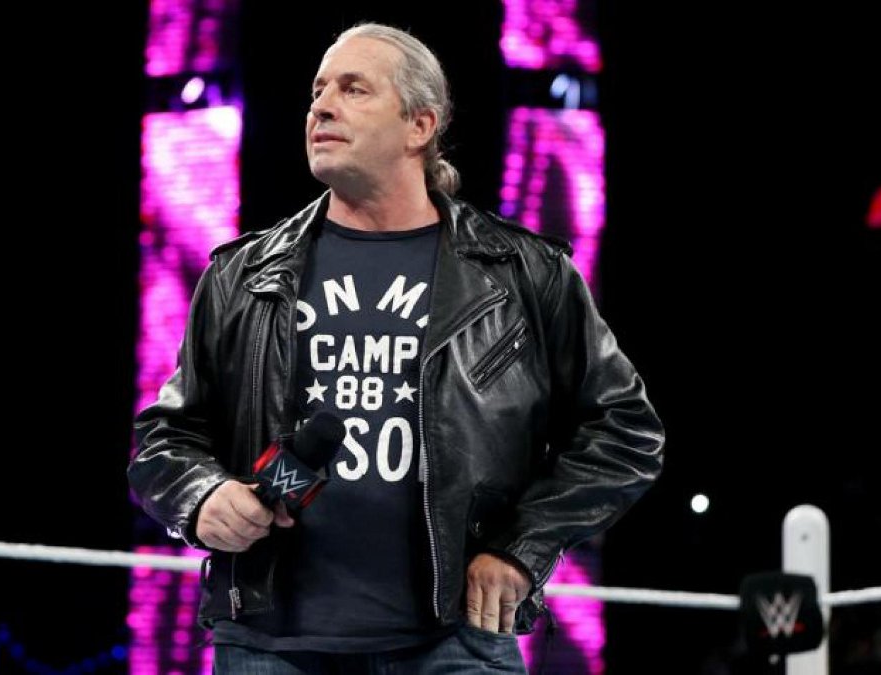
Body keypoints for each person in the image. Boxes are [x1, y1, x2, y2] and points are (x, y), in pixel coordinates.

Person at [128, 22, 665, 673]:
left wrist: (522, 548)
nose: (322, 107)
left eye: (353, 89)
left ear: (420, 126)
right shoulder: (241, 275)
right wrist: (203, 496)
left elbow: (624, 430)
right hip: (271, 642)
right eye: (318, 91)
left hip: (455, 640)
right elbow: (163, 439)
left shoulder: (523, 274)